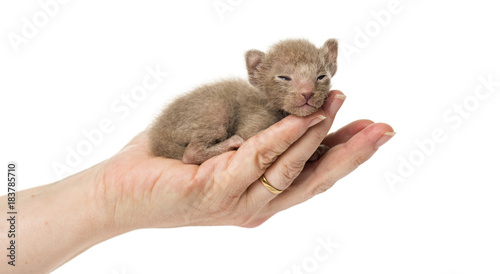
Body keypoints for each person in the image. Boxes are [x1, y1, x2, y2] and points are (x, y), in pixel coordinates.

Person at [0, 91, 394, 272]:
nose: (305, 91)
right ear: (259, 74)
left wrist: (109, 196)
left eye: (319, 78)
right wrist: (110, 199)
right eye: (287, 79)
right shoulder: (250, 106)